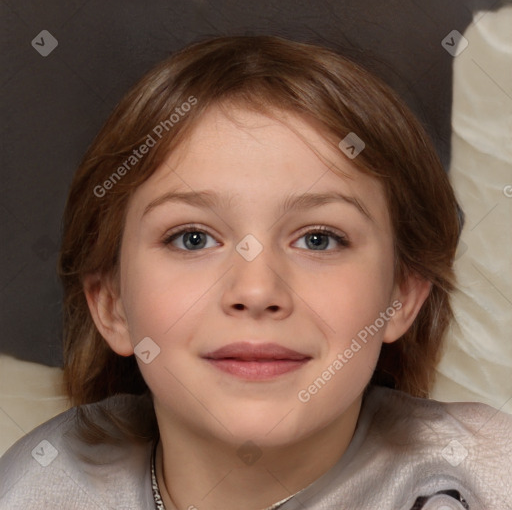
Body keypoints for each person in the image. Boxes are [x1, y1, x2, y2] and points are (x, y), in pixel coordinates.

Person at [0, 35, 510, 510]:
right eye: (192, 238)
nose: (257, 290)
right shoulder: (36, 486)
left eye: (319, 239)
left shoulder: (488, 479)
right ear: (112, 305)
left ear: (402, 294)